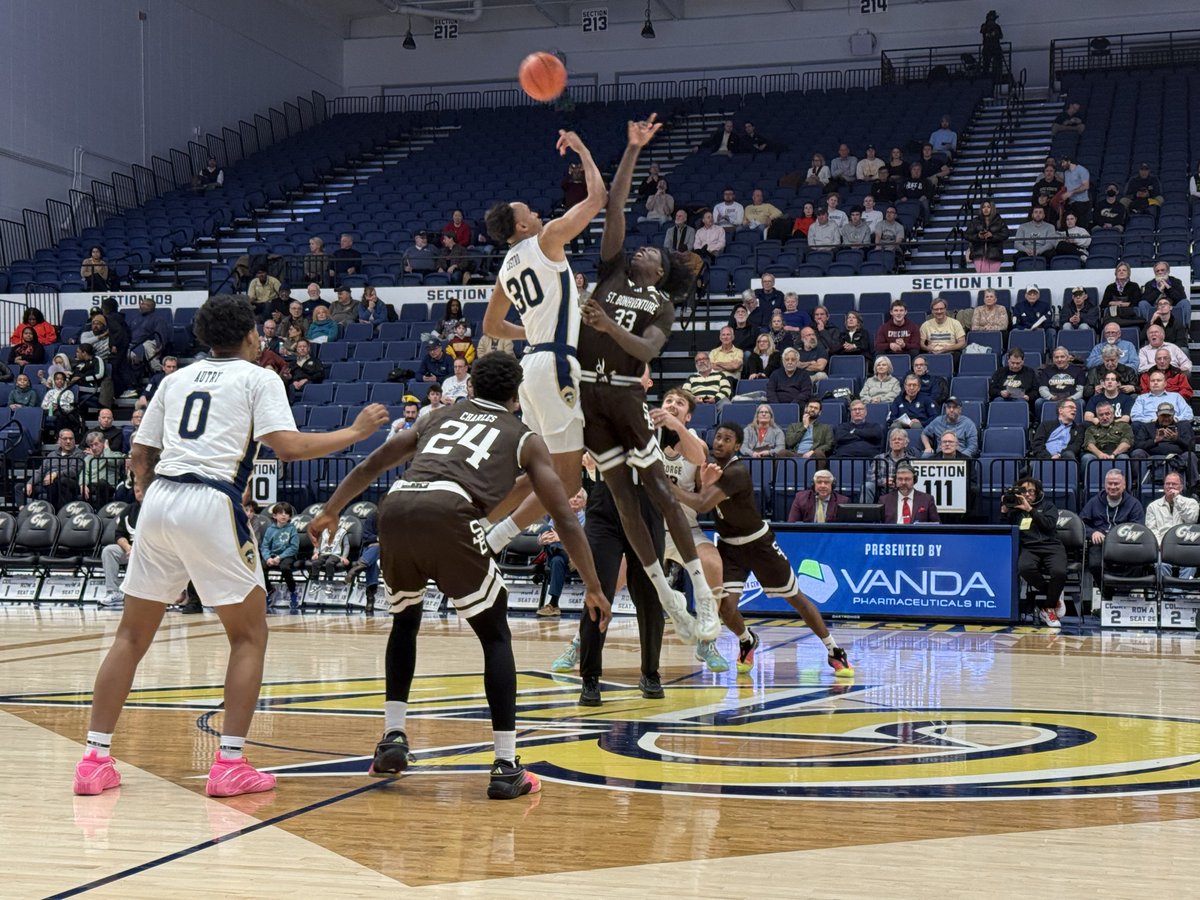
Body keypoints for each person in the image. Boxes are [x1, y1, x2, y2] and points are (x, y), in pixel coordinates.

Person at [72, 295, 390, 798]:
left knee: (130, 637)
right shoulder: (259, 376)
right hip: (209, 501)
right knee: (248, 636)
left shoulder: (174, 380)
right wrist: (354, 432)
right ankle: (230, 764)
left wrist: (144, 488)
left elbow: (139, 451)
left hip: (160, 499)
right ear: (252, 337)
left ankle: (93, 760)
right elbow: (288, 447)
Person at [307, 352, 609, 798]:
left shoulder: (436, 417)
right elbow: (563, 516)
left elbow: (372, 465)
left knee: (405, 622)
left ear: (470, 388)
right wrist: (596, 588)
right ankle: (506, 766)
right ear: (517, 397)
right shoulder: (523, 436)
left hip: (398, 505)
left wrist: (331, 509)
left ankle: (393, 739)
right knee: (494, 636)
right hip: (450, 511)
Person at [574, 115, 718, 643]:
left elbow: (646, 351)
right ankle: (665, 595)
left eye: (651, 253)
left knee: (657, 488)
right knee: (621, 497)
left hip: (624, 392)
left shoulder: (662, 306)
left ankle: (701, 593)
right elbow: (614, 207)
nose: (641, 250)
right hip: (588, 393)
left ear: (661, 273)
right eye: (641, 248)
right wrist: (632, 149)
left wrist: (609, 324)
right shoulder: (612, 271)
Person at [674, 422, 854, 675]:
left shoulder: (736, 472)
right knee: (726, 607)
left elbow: (703, 505)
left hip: (758, 544)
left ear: (737, 446)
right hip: (728, 546)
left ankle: (834, 650)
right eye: (717, 438)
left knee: (796, 598)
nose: (720, 443)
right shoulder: (711, 469)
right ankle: (747, 639)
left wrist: (666, 485)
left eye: (727, 439)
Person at [653, 387, 754, 674]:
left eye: (679, 403)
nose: (672, 404)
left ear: (688, 415)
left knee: (711, 562)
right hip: (647, 528)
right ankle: (579, 643)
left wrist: (706, 483)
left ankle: (707, 641)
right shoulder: (646, 437)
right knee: (610, 579)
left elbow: (700, 465)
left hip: (685, 526)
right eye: (668, 400)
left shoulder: (695, 442)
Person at [1002, 478, 1068, 628]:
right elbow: (1006, 530)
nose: (1028, 494)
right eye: (1024, 491)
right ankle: (1055, 594)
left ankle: (1048, 608)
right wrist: (1004, 511)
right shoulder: (1015, 510)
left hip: (1052, 546)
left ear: (1037, 492)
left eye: (1031, 491)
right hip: (1030, 547)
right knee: (1025, 568)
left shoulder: (1048, 506)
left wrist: (1029, 510)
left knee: (1059, 573)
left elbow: (1049, 525)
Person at [1080, 470, 1145, 602]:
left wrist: (1119, 538)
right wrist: (1092, 532)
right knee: (1094, 565)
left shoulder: (1134, 504)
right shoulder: (1094, 502)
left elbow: (1139, 527)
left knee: (1139, 564)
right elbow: (1081, 523)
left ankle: (1121, 596)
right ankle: (1108, 595)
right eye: (1110, 483)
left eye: (1116, 483)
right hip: (1100, 544)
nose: (1113, 487)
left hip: (1125, 545)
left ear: (1124, 485)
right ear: (1105, 485)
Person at [1145, 473, 1199, 582]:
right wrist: (1161, 545)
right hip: (1162, 548)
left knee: (1191, 564)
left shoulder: (1191, 503)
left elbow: (1191, 520)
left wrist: (1177, 499)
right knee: (1161, 564)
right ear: (1164, 487)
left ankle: (1178, 593)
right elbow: (1151, 530)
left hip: (1186, 546)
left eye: (1174, 484)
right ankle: (1170, 592)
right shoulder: (1153, 506)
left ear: (1181, 487)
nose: (1170, 486)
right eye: (1167, 484)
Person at [99, 485, 142, 608]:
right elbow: (119, 535)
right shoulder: (129, 510)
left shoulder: (156, 510)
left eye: (141, 491)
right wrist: (128, 548)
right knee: (109, 551)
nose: (139, 494)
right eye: (136, 491)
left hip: (150, 550)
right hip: (131, 549)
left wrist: (138, 549)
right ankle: (113, 592)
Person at [260, 502, 300, 608]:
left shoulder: (292, 529)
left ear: (290, 516)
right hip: (272, 556)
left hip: (287, 556)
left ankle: (293, 592)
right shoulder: (270, 530)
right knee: (260, 568)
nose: (283, 515)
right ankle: (269, 590)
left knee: (285, 568)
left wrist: (280, 557)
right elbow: (264, 547)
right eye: (280, 513)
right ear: (274, 515)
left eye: (286, 513)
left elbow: (294, 547)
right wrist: (268, 558)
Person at [1082, 401, 1133, 473]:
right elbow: (1089, 444)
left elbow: (1126, 442)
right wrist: (1100, 454)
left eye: (1107, 414)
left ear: (1113, 414)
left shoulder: (1124, 426)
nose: (1104, 417)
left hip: (1118, 453)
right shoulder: (1091, 429)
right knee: (1087, 458)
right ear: (1097, 416)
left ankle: (1125, 484)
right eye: (1101, 415)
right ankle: (1086, 484)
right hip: (1098, 454)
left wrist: (1113, 454)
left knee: (1123, 458)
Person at [1100, 262, 1144, 327]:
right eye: (1119, 270)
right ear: (1116, 273)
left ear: (1128, 273)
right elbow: (1103, 305)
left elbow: (1137, 302)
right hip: (1113, 316)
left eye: (1124, 270)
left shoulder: (1134, 286)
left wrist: (1120, 304)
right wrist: (1113, 303)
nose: (1121, 272)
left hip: (1129, 315)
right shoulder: (1110, 287)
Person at [1059, 156, 1092, 229]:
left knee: (1081, 226)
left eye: (1063, 162)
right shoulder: (1066, 173)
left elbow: (1086, 186)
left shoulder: (1082, 170)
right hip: (1070, 203)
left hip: (1081, 203)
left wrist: (1071, 192)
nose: (1062, 165)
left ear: (1069, 161)